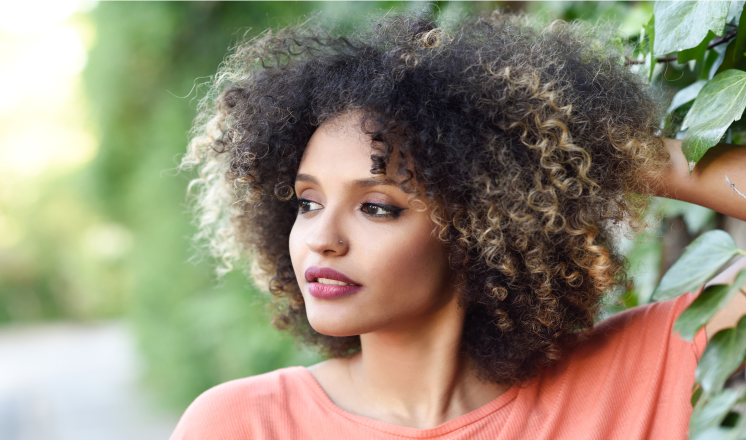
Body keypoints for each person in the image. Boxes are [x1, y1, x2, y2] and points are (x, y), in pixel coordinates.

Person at [170, 11, 746, 439]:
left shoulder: (642, 370)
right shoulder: (241, 424)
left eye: (377, 206)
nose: (322, 238)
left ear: (480, 225)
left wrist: (596, 151)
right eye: (307, 202)